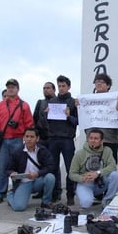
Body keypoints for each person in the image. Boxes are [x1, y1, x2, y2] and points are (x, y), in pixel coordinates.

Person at [0, 78, 34, 204]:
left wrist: (28, 139)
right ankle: (0, 193)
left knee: (18, 168)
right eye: (9, 87)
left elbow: (29, 124)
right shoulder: (0, 105)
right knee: (2, 167)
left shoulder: (24, 105)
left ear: (18, 89)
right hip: (3, 140)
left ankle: (16, 191)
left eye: (13, 87)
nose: (11, 89)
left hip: (18, 139)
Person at [6, 127, 55, 211]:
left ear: (37, 138)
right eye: (27, 136)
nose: (29, 139)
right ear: (23, 138)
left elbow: (51, 166)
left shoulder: (42, 150)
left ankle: (46, 202)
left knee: (50, 177)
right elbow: (7, 169)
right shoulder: (17, 151)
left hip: (37, 180)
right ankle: (10, 195)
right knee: (19, 207)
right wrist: (12, 173)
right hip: (24, 183)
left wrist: (38, 174)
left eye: (32, 137)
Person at [69, 129, 118, 209]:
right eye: (91, 138)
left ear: (101, 141)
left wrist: (98, 173)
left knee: (116, 175)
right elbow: (72, 174)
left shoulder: (107, 151)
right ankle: (88, 197)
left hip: (101, 182)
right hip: (86, 183)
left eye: (96, 138)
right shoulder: (80, 153)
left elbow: (112, 166)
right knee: (86, 203)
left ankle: (107, 200)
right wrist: (82, 178)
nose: (93, 140)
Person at [47, 75, 78, 205]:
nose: (61, 88)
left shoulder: (74, 102)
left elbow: (77, 121)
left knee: (70, 168)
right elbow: (46, 122)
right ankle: (55, 194)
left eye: (63, 86)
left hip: (67, 139)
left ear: (69, 86)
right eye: (59, 86)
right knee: (53, 168)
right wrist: (46, 113)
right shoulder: (52, 101)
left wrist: (69, 116)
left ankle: (70, 195)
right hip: (53, 138)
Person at [85, 73, 118, 163]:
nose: (98, 84)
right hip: (92, 140)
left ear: (108, 85)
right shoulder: (87, 100)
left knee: (110, 168)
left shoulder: (116, 99)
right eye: (96, 82)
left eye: (102, 82)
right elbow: (83, 118)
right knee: (90, 167)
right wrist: (79, 106)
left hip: (110, 139)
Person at [33, 82, 56, 147]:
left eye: (48, 88)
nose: (45, 90)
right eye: (44, 88)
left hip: (54, 138)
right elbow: (34, 119)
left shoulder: (59, 103)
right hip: (41, 138)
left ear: (54, 90)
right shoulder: (40, 102)